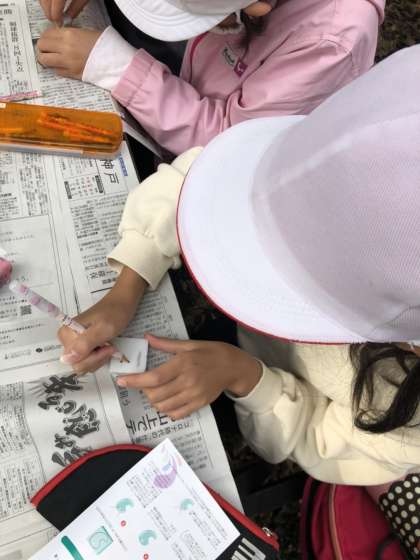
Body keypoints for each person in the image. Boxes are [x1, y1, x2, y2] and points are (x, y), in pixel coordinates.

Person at [59, 45, 420, 555]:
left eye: (296, 285)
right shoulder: (367, 145)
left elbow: (318, 438)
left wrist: (244, 376)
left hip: (271, 390)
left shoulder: (406, 421)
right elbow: (200, 179)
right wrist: (128, 284)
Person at [36, 0, 385, 155]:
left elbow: (233, 141)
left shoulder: (330, 41)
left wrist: (116, 67)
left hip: (216, 147)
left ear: (258, 6)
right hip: (195, 64)